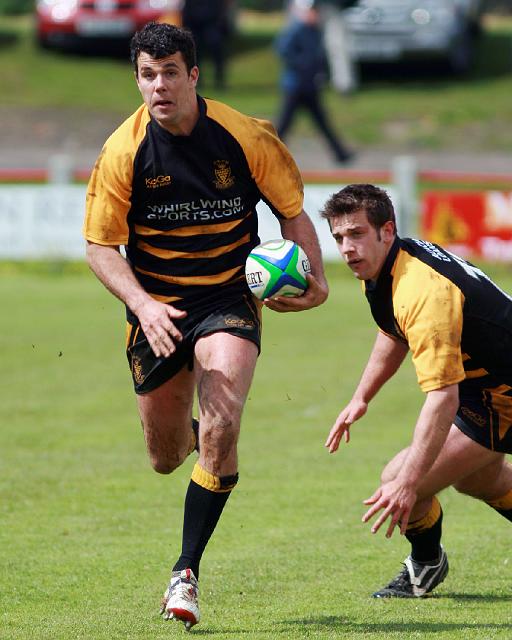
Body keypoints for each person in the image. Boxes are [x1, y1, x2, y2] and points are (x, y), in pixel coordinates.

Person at [83, 21, 328, 630]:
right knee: (166, 456)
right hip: (159, 307)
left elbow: (293, 215)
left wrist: (315, 279)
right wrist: (142, 306)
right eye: (147, 75)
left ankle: (185, 574)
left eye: (170, 73)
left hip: (228, 298)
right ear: (136, 80)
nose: (159, 86)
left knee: (222, 417)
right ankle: (208, 448)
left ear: (194, 75)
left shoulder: (244, 136)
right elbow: (100, 248)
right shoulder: (122, 151)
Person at [322, 183, 512, 598]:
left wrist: (410, 483)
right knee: (481, 480)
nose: (347, 248)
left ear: (386, 230)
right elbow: (394, 328)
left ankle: (425, 565)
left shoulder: (421, 289)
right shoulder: (390, 265)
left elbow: (443, 398)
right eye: (339, 237)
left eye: (356, 234)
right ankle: (427, 560)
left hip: (502, 394)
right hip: (486, 386)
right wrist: (361, 397)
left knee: (398, 480)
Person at [275, 0, 354, 164]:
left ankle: (340, 154)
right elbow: (282, 49)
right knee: (284, 124)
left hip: (310, 86)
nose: (315, 15)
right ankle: (270, 154)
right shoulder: (296, 29)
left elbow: (318, 56)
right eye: (312, 12)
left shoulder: (315, 31)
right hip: (295, 86)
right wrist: (302, 63)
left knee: (323, 122)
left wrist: (319, 71)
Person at [181, 0, 233, 90]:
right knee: (193, 53)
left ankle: (219, 79)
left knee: (216, 48)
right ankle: (196, 80)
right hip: (194, 26)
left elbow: (221, 11)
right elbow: (186, 12)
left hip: (212, 24)